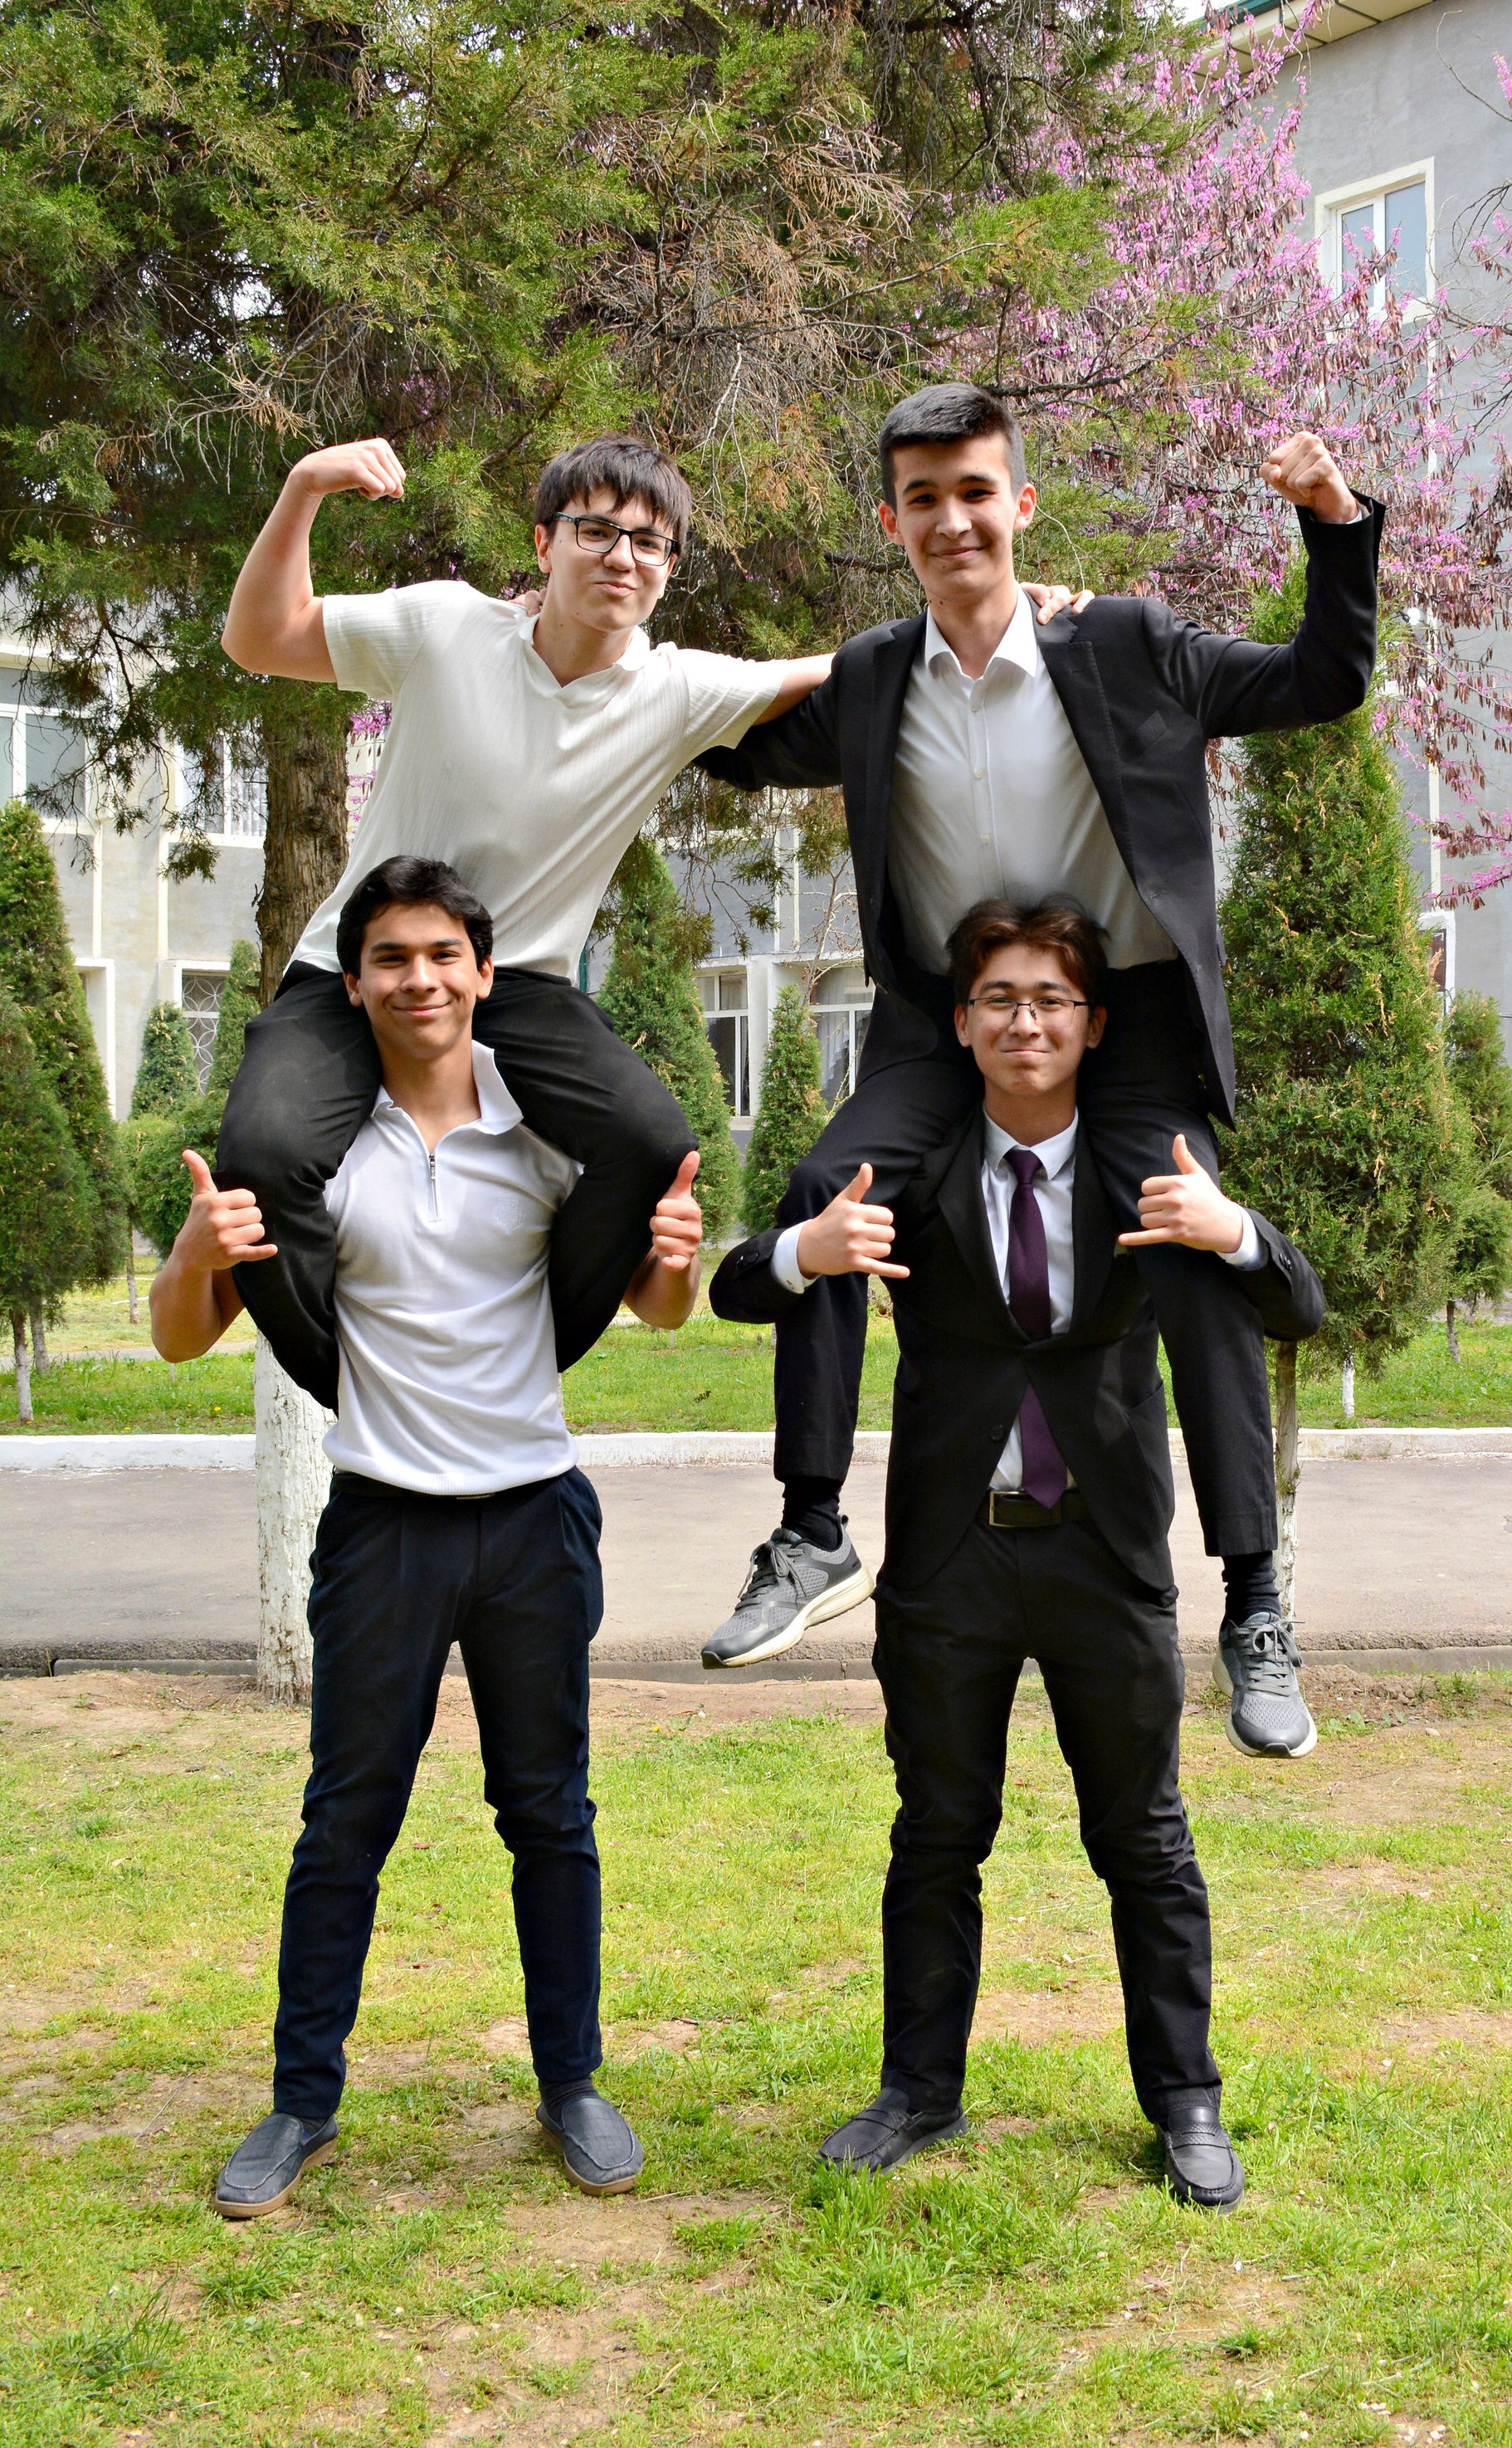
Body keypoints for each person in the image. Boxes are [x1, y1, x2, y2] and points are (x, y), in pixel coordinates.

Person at [696, 383, 1378, 1765]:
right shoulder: (876, 677)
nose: (954, 520)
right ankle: (814, 1530)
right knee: (830, 1189)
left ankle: (1255, 1600)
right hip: (951, 1020)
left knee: (1185, 1235)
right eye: (924, 499)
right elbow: (724, 745)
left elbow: (1321, 678)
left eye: (976, 492)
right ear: (891, 520)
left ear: (1020, 503)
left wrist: (1332, 519)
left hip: (1124, 1023)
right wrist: (628, 651)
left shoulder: (1125, 643)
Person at [214, 430, 1077, 1412]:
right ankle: (357, 1383)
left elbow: (841, 668)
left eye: (649, 542)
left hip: (518, 986)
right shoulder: (445, 627)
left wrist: (999, 610)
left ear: (668, 568)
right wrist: (305, 486)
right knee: (264, 1157)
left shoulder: (677, 691)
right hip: (356, 970)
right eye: (596, 531)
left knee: (648, 1143)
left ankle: (512, 1364)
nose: (622, 557)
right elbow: (259, 637)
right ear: (544, 543)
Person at [712, 899, 1324, 2201]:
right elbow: (736, 1286)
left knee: (1145, 1838)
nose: (1025, 1020)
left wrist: (1231, 1228)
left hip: (1106, 1554)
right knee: (938, 1831)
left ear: (1094, 1024)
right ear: (960, 1023)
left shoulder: (1142, 1169)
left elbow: (1300, 1302)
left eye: (1051, 998)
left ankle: (1186, 2101)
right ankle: (917, 2091)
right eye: (999, 997)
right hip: (952, 1558)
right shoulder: (911, 1166)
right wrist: (804, 1251)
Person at [151, 856, 704, 2216]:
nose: (421, 980)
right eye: (392, 958)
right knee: (345, 1821)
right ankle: (301, 2102)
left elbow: (658, 1309)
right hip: (382, 1524)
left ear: (485, 974)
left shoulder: (547, 1126)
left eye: (444, 955)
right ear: (353, 985)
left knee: (550, 1815)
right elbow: (176, 1337)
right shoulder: (317, 1149)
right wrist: (197, 1251)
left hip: (533, 1517)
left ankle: (572, 2083)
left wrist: (674, 1257)